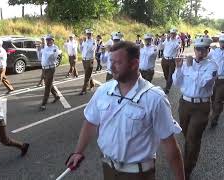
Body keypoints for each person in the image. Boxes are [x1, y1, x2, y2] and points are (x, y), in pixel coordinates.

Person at [66, 41, 185, 180]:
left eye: (118, 62)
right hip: (108, 169)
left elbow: (169, 144)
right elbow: (90, 122)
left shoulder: (154, 98)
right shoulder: (103, 90)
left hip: (138, 174)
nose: (112, 67)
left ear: (134, 64)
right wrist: (78, 152)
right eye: (111, 61)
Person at [172, 37, 217, 180]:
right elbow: (177, 83)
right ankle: (189, 155)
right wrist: (179, 68)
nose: (200, 52)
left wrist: (190, 67)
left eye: (203, 49)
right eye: (198, 49)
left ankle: (186, 170)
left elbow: (203, 83)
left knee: (193, 139)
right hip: (185, 104)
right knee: (187, 136)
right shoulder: (187, 64)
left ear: (208, 50)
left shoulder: (212, 66)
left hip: (201, 106)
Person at [37, 34, 60, 111]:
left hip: (50, 69)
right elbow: (40, 57)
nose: (48, 41)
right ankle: (56, 96)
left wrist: (43, 48)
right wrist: (39, 49)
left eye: (50, 40)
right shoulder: (45, 47)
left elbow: (52, 57)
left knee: (47, 86)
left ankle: (44, 104)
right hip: (44, 69)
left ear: (53, 40)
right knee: (49, 84)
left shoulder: (55, 48)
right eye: (47, 40)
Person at [208, 35, 224, 128]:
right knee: (213, 99)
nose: (223, 44)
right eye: (222, 42)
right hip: (213, 79)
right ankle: (215, 113)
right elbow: (206, 59)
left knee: (218, 100)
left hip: (223, 80)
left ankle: (214, 119)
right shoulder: (214, 52)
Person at [161, 28, 181, 94]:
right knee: (166, 74)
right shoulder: (167, 40)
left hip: (172, 60)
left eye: (173, 34)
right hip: (164, 59)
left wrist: (178, 55)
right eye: (171, 33)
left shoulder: (177, 41)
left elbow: (178, 49)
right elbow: (162, 46)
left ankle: (167, 88)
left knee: (170, 75)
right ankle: (168, 83)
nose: (172, 35)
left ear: (175, 35)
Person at [79, 29, 96, 95]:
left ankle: (84, 90)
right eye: (87, 34)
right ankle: (92, 84)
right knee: (88, 73)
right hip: (84, 59)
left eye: (89, 34)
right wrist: (80, 44)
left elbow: (91, 49)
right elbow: (81, 50)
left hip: (90, 60)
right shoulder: (85, 41)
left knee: (86, 75)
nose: (88, 35)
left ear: (92, 34)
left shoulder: (93, 41)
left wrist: (85, 42)